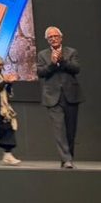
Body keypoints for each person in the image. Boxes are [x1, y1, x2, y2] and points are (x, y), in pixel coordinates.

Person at [37, 26, 84, 169]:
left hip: (71, 95)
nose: (53, 39)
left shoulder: (71, 52)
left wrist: (62, 61)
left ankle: (67, 159)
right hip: (52, 97)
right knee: (59, 130)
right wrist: (52, 64)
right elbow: (41, 72)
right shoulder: (42, 54)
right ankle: (67, 158)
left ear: (61, 38)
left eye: (55, 36)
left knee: (70, 130)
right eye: (50, 37)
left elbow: (76, 69)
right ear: (47, 40)